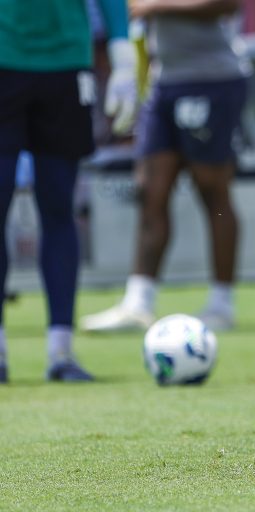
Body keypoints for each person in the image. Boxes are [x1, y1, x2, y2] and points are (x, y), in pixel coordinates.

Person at [81, 0, 252, 333]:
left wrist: (155, 5)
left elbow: (228, 4)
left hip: (212, 77)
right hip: (165, 80)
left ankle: (221, 303)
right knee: (149, 190)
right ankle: (139, 302)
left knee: (212, 191)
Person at [0, 0, 136, 383]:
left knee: (59, 206)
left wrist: (122, 52)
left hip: (66, 61)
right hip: (3, 54)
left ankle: (61, 351)